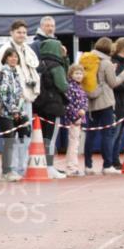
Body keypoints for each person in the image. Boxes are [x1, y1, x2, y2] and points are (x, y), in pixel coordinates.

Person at [0, 20, 40, 178]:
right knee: (12, 138)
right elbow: (0, 79)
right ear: (12, 33)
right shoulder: (5, 50)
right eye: (19, 32)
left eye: (24, 32)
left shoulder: (27, 49)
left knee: (25, 135)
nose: (22, 35)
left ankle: (22, 167)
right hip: (11, 105)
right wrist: (12, 106)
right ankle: (11, 169)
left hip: (26, 99)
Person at [83, 37, 124, 175]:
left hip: (90, 103)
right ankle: (107, 165)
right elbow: (113, 83)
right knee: (107, 135)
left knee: (90, 135)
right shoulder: (106, 62)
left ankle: (88, 166)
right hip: (105, 102)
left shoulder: (88, 60)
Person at [34, 38, 69, 178]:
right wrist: (65, 60)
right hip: (53, 106)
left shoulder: (39, 64)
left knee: (40, 138)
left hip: (39, 105)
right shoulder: (56, 66)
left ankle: (40, 165)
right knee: (51, 138)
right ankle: (49, 167)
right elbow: (63, 85)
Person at [0, 47, 28, 181]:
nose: (13, 59)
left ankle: (13, 168)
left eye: (16, 57)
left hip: (17, 112)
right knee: (9, 141)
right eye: (11, 56)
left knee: (16, 139)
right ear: (5, 58)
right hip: (5, 113)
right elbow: (4, 94)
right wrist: (13, 110)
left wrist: (19, 110)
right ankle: (6, 171)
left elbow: (19, 93)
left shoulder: (16, 73)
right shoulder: (4, 72)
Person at [64, 63, 89, 177]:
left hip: (79, 120)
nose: (79, 75)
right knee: (73, 144)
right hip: (73, 120)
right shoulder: (70, 87)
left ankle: (74, 166)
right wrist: (75, 117)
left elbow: (84, 101)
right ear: (71, 74)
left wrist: (83, 110)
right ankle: (71, 168)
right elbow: (68, 104)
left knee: (76, 144)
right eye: (76, 73)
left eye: (80, 73)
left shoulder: (80, 87)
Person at [111, 37, 124, 169]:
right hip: (117, 104)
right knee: (115, 134)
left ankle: (115, 160)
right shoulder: (115, 63)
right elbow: (114, 84)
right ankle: (110, 161)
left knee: (120, 135)